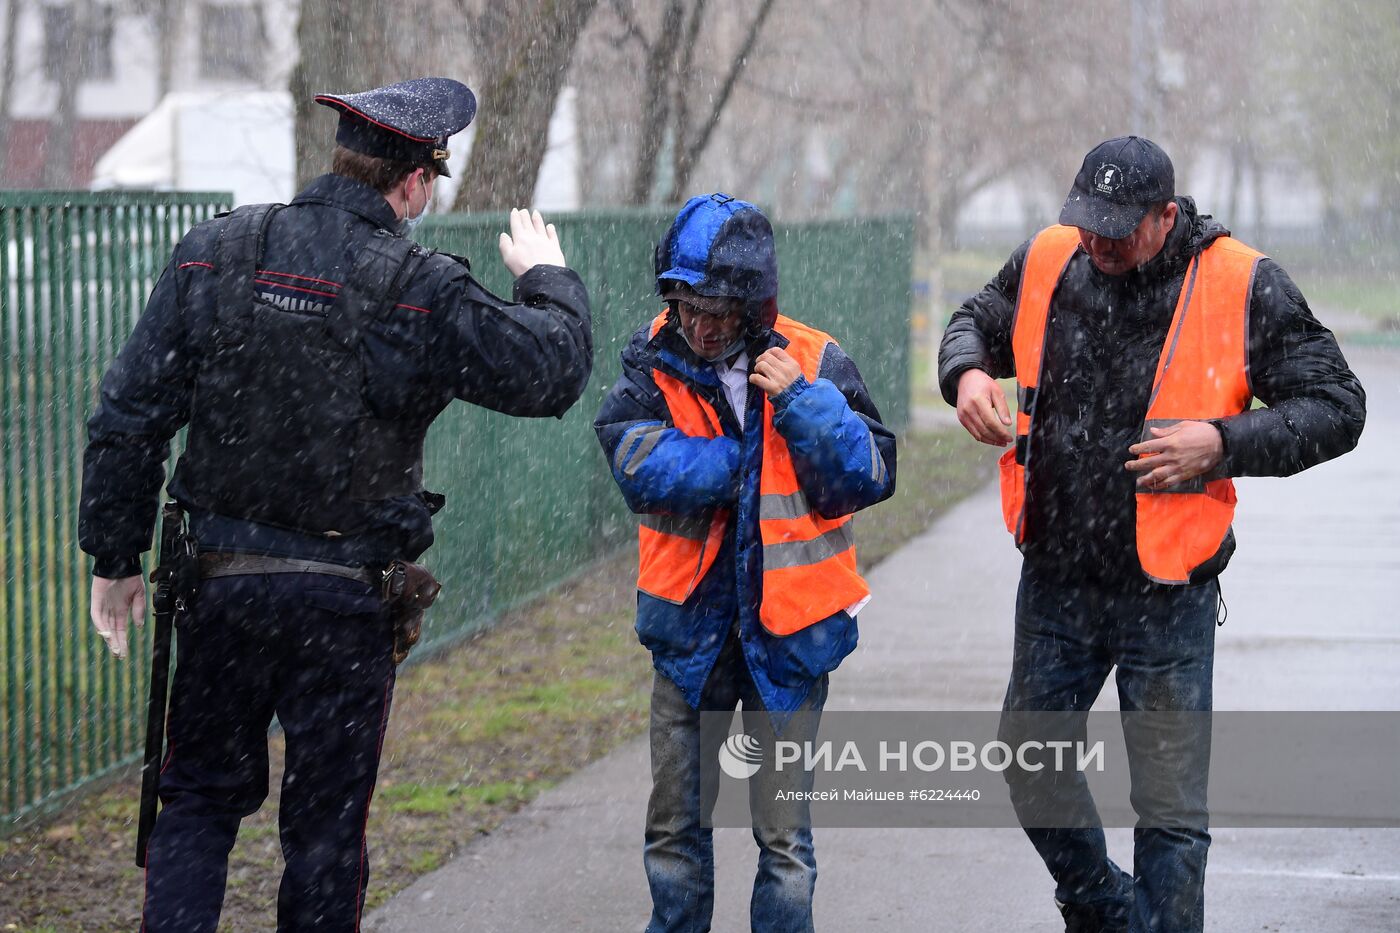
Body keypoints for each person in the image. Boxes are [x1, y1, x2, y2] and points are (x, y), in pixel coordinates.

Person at [78, 77, 592, 932]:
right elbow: (552, 373)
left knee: (198, 803)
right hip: (344, 605)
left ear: (343, 160)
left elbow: (127, 413)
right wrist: (548, 280)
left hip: (218, 587)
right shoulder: (421, 286)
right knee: (322, 831)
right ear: (417, 180)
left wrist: (114, 555)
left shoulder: (216, 253)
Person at [939, 135, 1365, 932]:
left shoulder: (1242, 283)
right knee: (1031, 764)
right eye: (1086, 220)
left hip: (1167, 593)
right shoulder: (1050, 258)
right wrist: (965, 371)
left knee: (1168, 813)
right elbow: (975, 320)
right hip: (1058, 575)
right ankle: (1109, 910)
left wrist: (1225, 441)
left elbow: (1340, 406)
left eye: (1117, 227)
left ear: (1166, 216)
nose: (1097, 241)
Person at [595, 193, 896, 932]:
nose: (697, 325)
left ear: (755, 307)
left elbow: (869, 474)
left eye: (717, 311)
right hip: (689, 638)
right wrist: (748, 463)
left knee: (785, 843)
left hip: (789, 641)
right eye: (684, 303)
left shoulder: (814, 358)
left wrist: (800, 402)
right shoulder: (651, 358)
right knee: (674, 834)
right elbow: (638, 463)